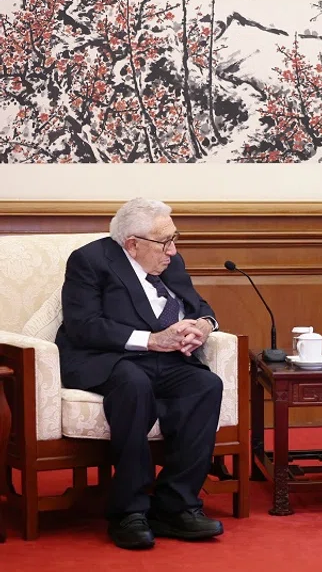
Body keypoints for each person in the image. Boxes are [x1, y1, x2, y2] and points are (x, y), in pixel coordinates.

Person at [56, 198, 225, 549]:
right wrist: (150, 340)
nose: (173, 250)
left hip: (165, 360)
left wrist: (204, 326)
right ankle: (128, 511)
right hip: (106, 358)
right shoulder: (91, 261)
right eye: (165, 242)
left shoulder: (169, 262)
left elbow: (200, 305)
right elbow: (82, 326)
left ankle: (176, 505)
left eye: (174, 239)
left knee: (205, 384)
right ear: (132, 244)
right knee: (134, 384)